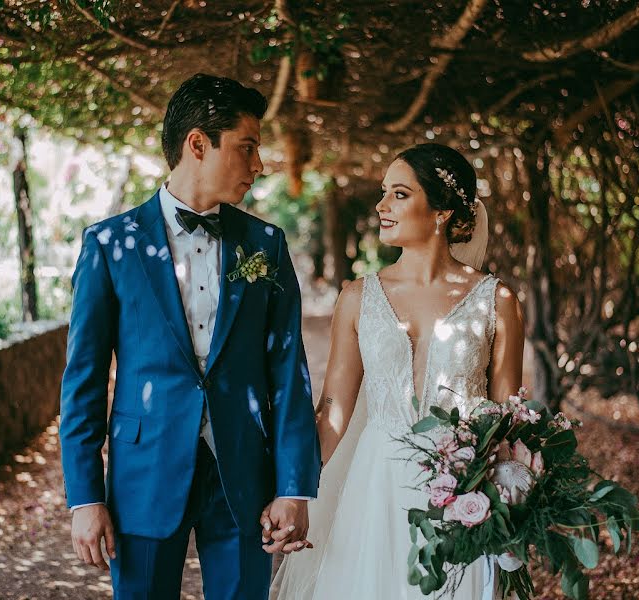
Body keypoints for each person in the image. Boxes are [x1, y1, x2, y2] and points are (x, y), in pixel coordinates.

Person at [59, 73, 321, 600]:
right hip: (144, 474)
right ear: (197, 144)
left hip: (245, 476)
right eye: (247, 148)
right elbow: (83, 380)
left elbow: (288, 373)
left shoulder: (266, 245)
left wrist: (294, 487)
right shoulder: (111, 244)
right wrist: (84, 498)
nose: (258, 165)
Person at [271, 143, 525, 600]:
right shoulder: (357, 297)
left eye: (400, 194)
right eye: (384, 192)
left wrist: (512, 504)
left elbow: (509, 421)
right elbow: (332, 411)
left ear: (442, 210)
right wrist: (293, 489)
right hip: (374, 490)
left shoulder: (497, 302)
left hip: (462, 499)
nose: (382, 205)